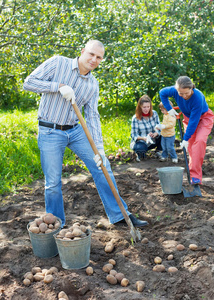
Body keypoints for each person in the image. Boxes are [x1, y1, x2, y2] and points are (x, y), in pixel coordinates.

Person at [23, 40, 147, 227]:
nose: (94, 59)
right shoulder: (58, 63)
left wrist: (100, 150)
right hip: (50, 131)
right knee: (53, 184)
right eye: (91, 54)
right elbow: (28, 83)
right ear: (82, 51)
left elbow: (93, 117)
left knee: (102, 167)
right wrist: (57, 86)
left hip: (76, 130)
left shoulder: (92, 85)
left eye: (99, 57)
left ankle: (121, 215)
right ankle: (56, 225)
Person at [159, 76, 214, 184]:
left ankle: (196, 176)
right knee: (192, 147)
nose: (183, 96)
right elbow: (162, 93)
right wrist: (169, 109)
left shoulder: (198, 97)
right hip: (189, 118)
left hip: (203, 118)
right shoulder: (175, 90)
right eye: (180, 93)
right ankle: (194, 177)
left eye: (186, 93)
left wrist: (185, 138)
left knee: (200, 141)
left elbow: (194, 121)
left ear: (191, 88)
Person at [130, 94, 162, 162]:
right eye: (144, 107)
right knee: (141, 150)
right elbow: (133, 135)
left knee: (165, 135)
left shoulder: (154, 114)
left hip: (153, 140)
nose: (146, 109)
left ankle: (159, 151)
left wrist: (156, 133)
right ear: (140, 107)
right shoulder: (135, 118)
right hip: (142, 141)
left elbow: (159, 127)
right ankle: (139, 154)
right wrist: (143, 138)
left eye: (148, 107)